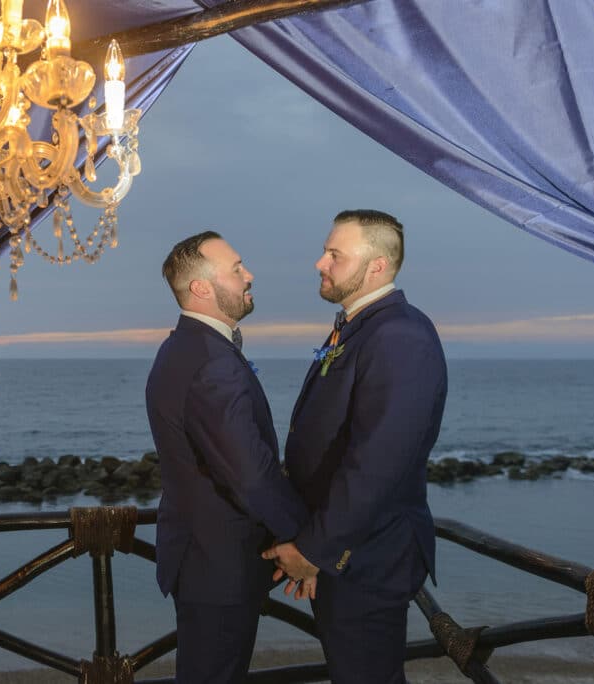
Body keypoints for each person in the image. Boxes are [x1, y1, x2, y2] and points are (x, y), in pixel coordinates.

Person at [263, 210, 447, 684]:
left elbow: (377, 462)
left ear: (378, 266)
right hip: (349, 550)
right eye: (326, 252)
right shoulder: (357, 326)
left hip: (372, 555)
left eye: (335, 255)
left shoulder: (400, 336)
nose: (319, 263)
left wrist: (315, 550)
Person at [146, 231, 308, 683]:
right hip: (218, 566)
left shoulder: (182, 348)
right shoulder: (210, 361)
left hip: (202, 560)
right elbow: (251, 475)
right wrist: (306, 542)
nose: (249, 274)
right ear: (201, 287)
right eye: (236, 268)